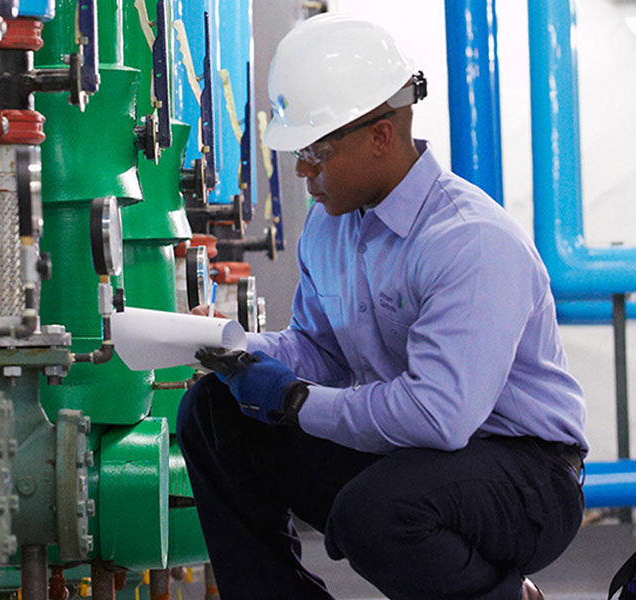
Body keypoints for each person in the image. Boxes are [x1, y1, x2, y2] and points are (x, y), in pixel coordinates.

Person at [177, 13, 587, 600]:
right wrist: (237, 349)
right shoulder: (331, 225)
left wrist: (292, 400)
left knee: (378, 512)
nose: (300, 170)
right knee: (213, 412)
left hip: (526, 475)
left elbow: (437, 418)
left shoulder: (469, 241)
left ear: (380, 136)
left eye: (315, 150)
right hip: (414, 454)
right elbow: (319, 350)